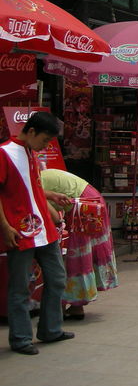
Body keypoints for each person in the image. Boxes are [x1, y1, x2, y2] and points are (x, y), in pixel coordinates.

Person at [0, 112, 74, 355]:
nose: (45, 145)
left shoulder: (32, 153)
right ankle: (21, 339)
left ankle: (50, 329)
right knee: (20, 287)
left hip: (44, 228)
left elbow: (32, 186)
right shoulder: (5, 153)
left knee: (57, 278)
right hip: (20, 231)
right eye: (44, 140)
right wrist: (5, 227)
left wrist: (51, 196)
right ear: (31, 132)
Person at [40, 168, 119, 321]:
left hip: (84, 207)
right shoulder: (37, 177)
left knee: (79, 257)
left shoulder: (33, 185)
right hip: (90, 202)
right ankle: (76, 306)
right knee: (84, 256)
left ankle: (65, 305)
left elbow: (55, 218)